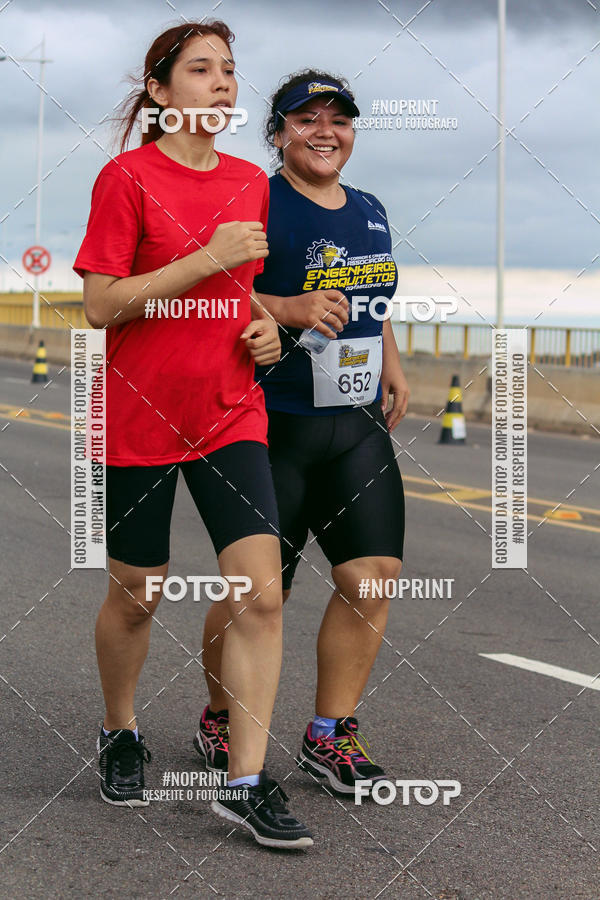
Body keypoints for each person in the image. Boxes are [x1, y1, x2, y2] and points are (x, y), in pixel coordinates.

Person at [73, 22, 312, 849]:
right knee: (137, 595)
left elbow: (243, 294)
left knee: (262, 594)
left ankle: (244, 781)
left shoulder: (250, 182)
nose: (221, 82)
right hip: (138, 414)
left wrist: (268, 330)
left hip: (229, 412)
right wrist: (206, 259)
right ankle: (120, 729)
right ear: (160, 90)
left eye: (229, 70)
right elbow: (102, 304)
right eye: (201, 69)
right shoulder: (126, 178)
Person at [197, 70, 408, 795]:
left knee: (371, 577)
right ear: (279, 132)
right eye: (306, 119)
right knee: (259, 593)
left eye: (338, 120)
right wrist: (286, 307)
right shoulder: (255, 200)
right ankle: (221, 716)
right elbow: (212, 290)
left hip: (354, 421)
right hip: (268, 423)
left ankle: (329, 733)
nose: (325, 132)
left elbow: (371, 296)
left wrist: (390, 359)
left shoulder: (372, 208)